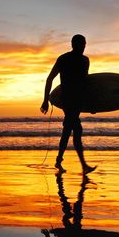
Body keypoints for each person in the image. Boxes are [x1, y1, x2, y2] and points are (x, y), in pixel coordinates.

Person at [41, 34, 96, 174]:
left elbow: (85, 83)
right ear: (73, 44)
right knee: (77, 129)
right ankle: (83, 165)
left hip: (79, 100)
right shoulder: (64, 59)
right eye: (80, 44)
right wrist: (45, 100)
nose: (83, 47)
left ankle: (58, 160)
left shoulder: (85, 61)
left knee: (67, 130)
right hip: (67, 99)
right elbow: (49, 79)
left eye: (84, 44)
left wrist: (93, 104)